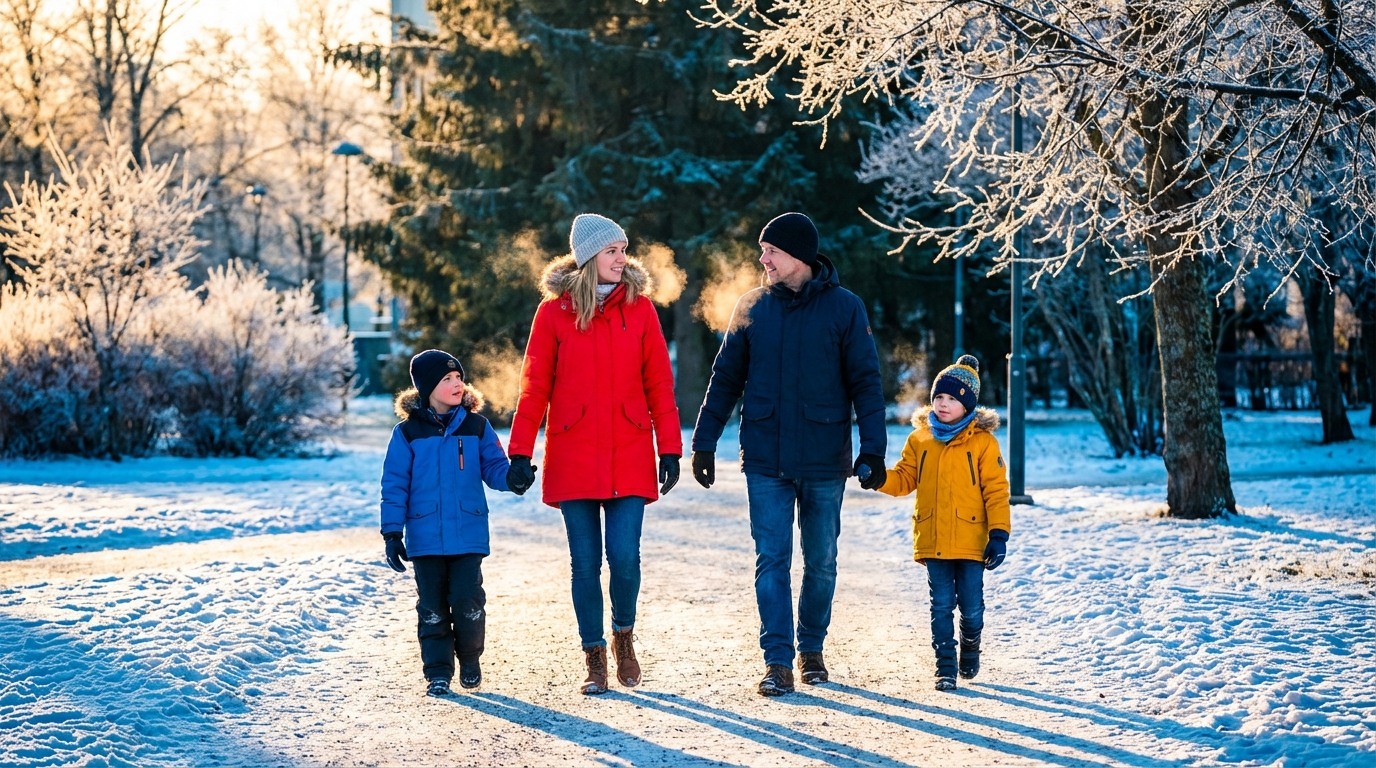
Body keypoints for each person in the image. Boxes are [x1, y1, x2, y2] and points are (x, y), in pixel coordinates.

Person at [690, 212, 888, 697]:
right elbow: (725, 379)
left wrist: (874, 451)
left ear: (797, 255)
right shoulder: (751, 306)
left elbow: (866, 382)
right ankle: (777, 661)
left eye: (771, 251)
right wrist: (703, 441)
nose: (763, 259)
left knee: (821, 561)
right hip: (765, 456)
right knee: (771, 559)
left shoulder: (846, 308)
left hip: (824, 457)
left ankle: (812, 650)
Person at [507, 213, 682, 695]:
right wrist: (519, 452)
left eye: (624, 250)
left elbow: (659, 385)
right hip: (573, 452)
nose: (622, 258)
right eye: (612, 251)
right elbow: (534, 385)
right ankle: (594, 656)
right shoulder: (553, 314)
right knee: (584, 563)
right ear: (588, 258)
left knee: (624, 558)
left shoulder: (640, 310)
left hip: (629, 450)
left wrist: (669, 447)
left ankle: (624, 635)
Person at [380, 349, 516, 697]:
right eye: (447, 379)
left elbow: (493, 467)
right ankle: (438, 672)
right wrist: (393, 533)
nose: (457, 384)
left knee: (468, 601)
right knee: (432, 608)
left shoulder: (476, 426)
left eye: (459, 378)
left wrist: (512, 478)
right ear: (427, 387)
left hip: (467, 534)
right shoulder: (407, 433)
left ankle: (470, 659)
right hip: (425, 537)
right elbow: (395, 484)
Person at [872, 354, 1011, 691]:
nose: (944, 404)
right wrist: (878, 478)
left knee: (972, 607)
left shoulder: (982, 442)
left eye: (952, 398)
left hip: (972, 539)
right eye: (939, 397)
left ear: (968, 405)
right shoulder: (920, 440)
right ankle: (945, 667)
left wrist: (999, 534)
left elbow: (996, 490)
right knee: (941, 606)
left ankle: (971, 646)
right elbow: (904, 479)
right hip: (933, 536)